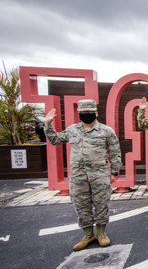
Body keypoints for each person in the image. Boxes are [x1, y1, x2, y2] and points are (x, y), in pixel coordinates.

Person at [44, 99, 122, 251]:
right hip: (78, 176)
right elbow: (55, 140)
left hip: (100, 174)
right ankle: (88, 234)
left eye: (90, 112)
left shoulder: (106, 131)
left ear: (96, 113)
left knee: (101, 204)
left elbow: (115, 152)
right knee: (81, 205)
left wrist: (114, 172)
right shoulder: (72, 130)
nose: (87, 115)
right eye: (84, 113)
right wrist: (47, 124)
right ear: (78, 114)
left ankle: (101, 233)